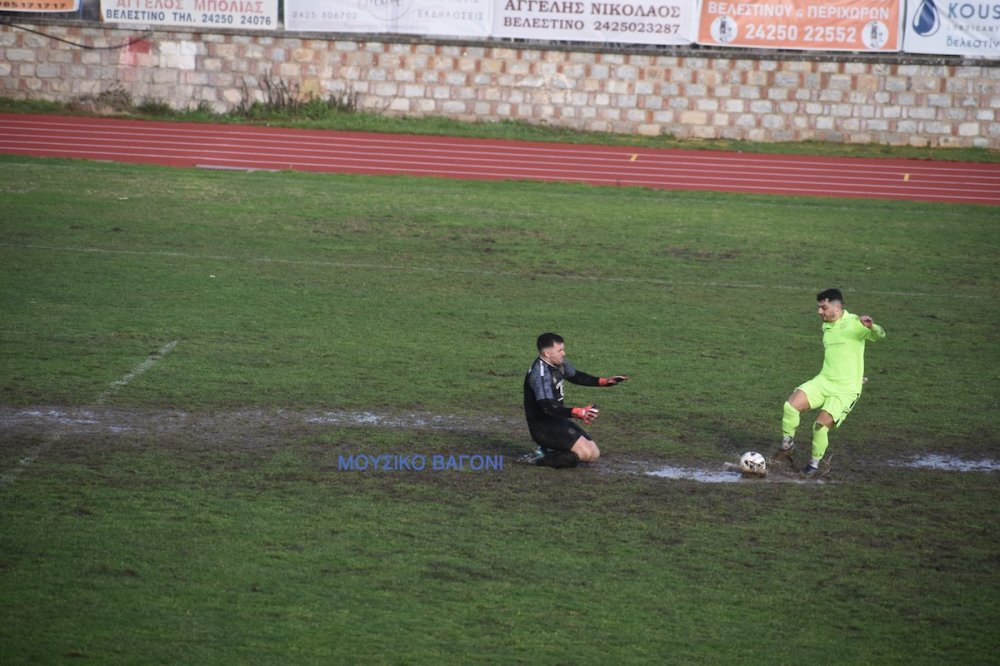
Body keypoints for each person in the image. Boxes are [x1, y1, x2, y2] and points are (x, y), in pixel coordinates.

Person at [777, 289, 886, 476]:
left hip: (845, 391)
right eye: (819, 307)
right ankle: (787, 447)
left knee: (819, 426)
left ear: (838, 307)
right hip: (824, 381)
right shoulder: (827, 325)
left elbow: (880, 336)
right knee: (790, 406)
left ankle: (814, 465)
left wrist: (872, 326)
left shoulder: (854, 324)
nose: (820, 312)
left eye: (823, 307)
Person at [523, 332, 628, 468]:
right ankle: (540, 458)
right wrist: (578, 412)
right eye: (559, 350)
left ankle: (552, 450)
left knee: (593, 453)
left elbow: (575, 376)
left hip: (557, 420)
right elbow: (548, 407)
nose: (564, 353)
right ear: (547, 353)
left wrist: (604, 381)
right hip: (542, 427)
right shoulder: (540, 374)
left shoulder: (558, 363)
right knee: (581, 454)